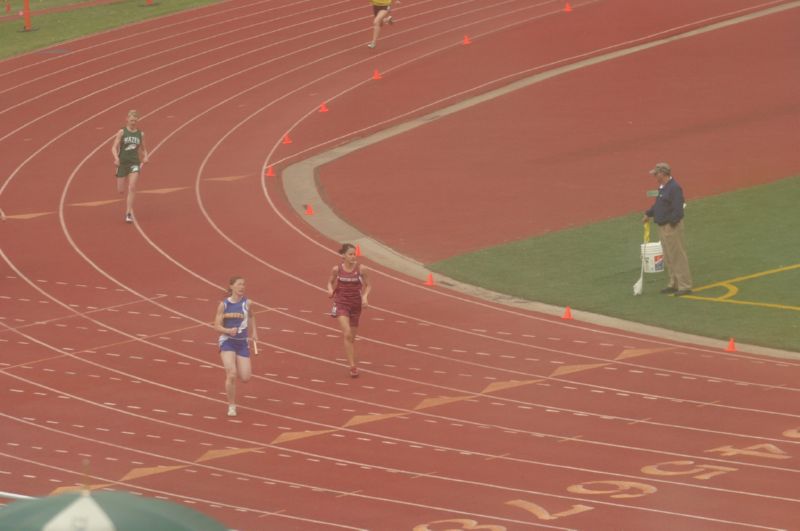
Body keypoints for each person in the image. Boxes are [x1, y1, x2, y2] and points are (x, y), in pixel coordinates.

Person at [642, 162, 692, 296]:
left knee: (677, 256)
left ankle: (685, 285)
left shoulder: (674, 188)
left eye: (656, 174)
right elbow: (658, 205)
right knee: (669, 256)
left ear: (663, 173)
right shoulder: (663, 187)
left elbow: (678, 209)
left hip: (671, 226)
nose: (654, 176)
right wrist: (649, 213)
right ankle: (674, 283)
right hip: (663, 226)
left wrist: (671, 223)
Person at [214, 276, 258, 417]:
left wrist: (254, 332)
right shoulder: (224, 305)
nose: (242, 287)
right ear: (232, 286)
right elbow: (216, 326)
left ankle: (235, 365)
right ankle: (231, 405)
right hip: (227, 341)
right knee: (231, 373)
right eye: (239, 284)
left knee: (245, 377)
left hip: (242, 343)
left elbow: (251, 316)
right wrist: (227, 331)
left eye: (243, 284)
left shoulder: (248, 303)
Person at [327, 243, 372, 377]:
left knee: (351, 337)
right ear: (344, 256)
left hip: (356, 305)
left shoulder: (362, 269)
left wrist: (365, 297)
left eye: (354, 254)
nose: (353, 256)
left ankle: (352, 359)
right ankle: (352, 366)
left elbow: (369, 285)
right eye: (350, 254)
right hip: (342, 303)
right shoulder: (337, 269)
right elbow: (329, 282)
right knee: (347, 333)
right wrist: (330, 290)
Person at [111, 109, 149, 224]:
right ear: (127, 119)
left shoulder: (140, 134)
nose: (133, 122)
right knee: (121, 190)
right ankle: (120, 175)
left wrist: (145, 156)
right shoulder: (122, 132)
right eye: (131, 120)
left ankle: (128, 213)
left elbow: (143, 148)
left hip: (134, 163)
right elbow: (113, 147)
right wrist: (116, 159)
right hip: (122, 163)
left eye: (135, 120)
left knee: (132, 187)